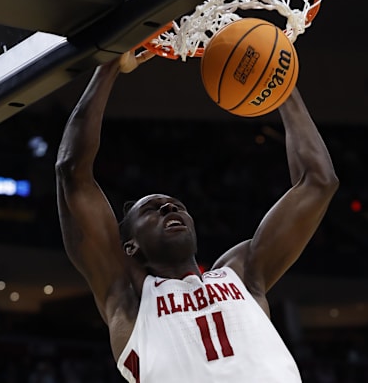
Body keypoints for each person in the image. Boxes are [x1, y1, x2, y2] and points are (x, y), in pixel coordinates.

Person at [55, 49, 339, 382]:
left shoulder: (241, 274)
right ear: (129, 246)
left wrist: (281, 83)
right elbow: (72, 173)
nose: (169, 208)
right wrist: (108, 66)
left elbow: (318, 182)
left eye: (176, 205)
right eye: (152, 209)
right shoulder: (128, 296)